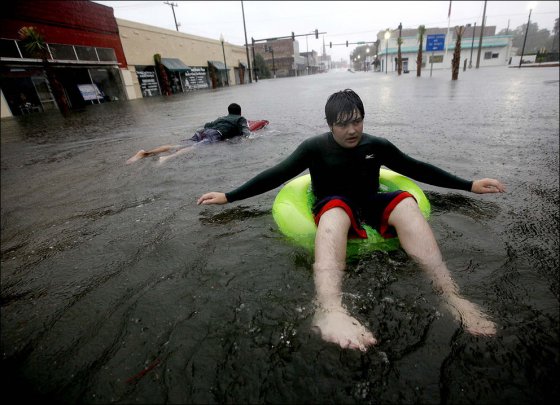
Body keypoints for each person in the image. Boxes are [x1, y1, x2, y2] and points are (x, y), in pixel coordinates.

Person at [197, 89, 506, 352]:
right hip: (333, 205)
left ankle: (452, 297)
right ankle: (329, 310)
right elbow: (276, 175)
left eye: (357, 121)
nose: (352, 130)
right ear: (330, 124)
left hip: (369, 202)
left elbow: (417, 168)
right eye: (343, 124)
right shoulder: (314, 148)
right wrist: (228, 196)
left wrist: (469, 184)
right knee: (335, 211)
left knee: (408, 205)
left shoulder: (376, 146)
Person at [126, 103, 251, 164]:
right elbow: (246, 131)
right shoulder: (240, 118)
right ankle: (166, 158)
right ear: (239, 112)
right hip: (215, 135)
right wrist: (248, 138)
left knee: (176, 146)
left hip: (202, 132)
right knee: (193, 149)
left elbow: (207, 125)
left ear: (228, 111)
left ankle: (145, 153)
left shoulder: (221, 118)